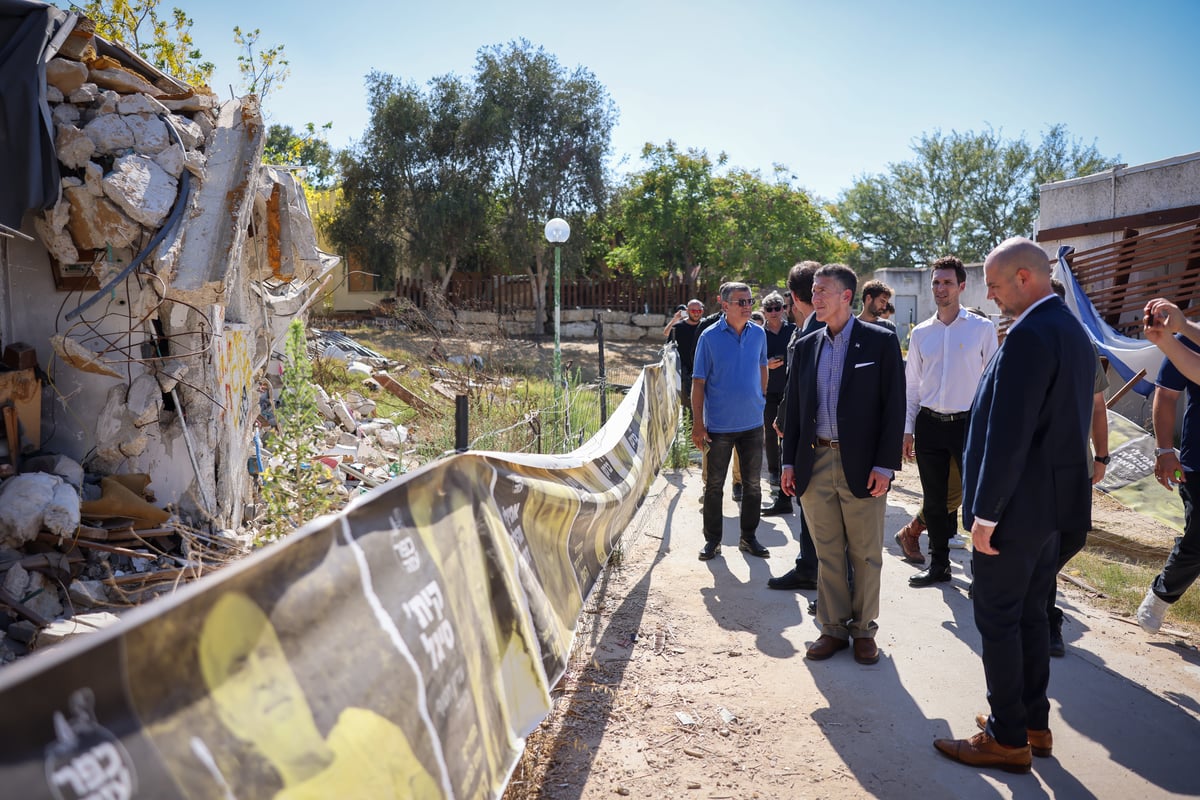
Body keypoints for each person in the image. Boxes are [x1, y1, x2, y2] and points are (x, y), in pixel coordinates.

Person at [934, 237, 1093, 774]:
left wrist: (986, 514)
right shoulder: (1069, 328)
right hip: (1051, 508)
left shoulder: (1030, 334)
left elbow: (1010, 434)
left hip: (1016, 511)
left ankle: (1006, 738)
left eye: (996, 285)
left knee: (998, 618)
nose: (991, 295)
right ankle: (1032, 722)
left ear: (1025, 277)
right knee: (1028, 614)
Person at [198, 591, 441, 798]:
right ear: (229, 716)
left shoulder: (365, 730)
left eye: (266, 653)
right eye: (239, 669)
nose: (265, 678)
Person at [780, 263, 905, 664]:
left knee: (865, 553)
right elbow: (796, 412)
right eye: (813, 291)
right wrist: (788, 463)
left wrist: (885, 466)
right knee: (827, 550)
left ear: (847, 297)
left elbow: (894, 407)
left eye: (822, 291)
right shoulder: (805, 344)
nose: (813, 298)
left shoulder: (880, 341)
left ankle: (864, 630)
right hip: (814, 461)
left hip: (863, 464)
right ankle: (832, 629)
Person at [903, 257, 997, 588]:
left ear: (961, 286)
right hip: (929, 424)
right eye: (936, 283)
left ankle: (983, 574)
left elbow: (992, 382)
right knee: (935, 500)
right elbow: (911, 385)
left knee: (976, 500)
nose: (940, 289)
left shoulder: (982, 329)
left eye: (946, 282)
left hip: (969, 425)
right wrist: (907, 429)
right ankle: (939, 565)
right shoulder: (921, 334)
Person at [1044, 277, 1110, 656]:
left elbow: (1098, 407)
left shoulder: (1082, 346)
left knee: (1075, 538)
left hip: (1077, 464)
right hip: (1039, 467)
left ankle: (1031, 587)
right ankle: (1048, 619)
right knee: (1049, 539)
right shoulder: (1025, 346)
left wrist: (1101, 455)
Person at [692, 282, 769, 560]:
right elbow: (698, 382)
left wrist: (760, 398)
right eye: (741, 302)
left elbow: (763, 365)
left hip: (752, 423)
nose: (748, 306)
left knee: (753, 485)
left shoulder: (759, 334)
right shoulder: (709, 337)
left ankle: (749, 538)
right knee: (713, 486)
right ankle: (712, 541)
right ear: (725, 305)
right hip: (718, 427)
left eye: (749, 301)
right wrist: (698, 424)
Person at [1137, 297, 1200, 634]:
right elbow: (1169, 393)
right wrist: (1164, 450)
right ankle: (1161, 596)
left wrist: (1177, 331)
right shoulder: (1186, 340)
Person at [765, 262, 824, 592]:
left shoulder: (817, 329)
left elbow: (804, 386)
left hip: (815, 434)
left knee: (819, 511)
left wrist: (786, 418)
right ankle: (808, 565)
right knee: (808, 504)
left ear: (791, 296)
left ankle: (827, 584)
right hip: (803, 430)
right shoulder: (809, 326)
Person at [759, 290, 796, 515]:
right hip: (767, 391)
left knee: (789, 434)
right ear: (763, 311)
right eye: (769, 309)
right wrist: (765, 364)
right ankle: (774, 472)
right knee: (770, 433)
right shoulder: (757, 333)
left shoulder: (792, 331)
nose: (773, 313)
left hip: (789, 390)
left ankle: (787, 474)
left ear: (784, 309)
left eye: (777, 308)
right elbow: (750, 359)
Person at [666, 299, 706, 416]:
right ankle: (689, 434)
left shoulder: (706, 327)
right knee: (688, 409)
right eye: (693, 310)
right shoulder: (678, 328)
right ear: (687, 311)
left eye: (699, 310)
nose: (696, 313)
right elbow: (669, 351)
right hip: (684, 375)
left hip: (704, 373)